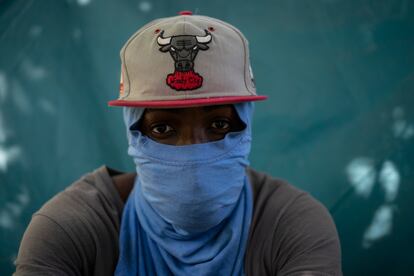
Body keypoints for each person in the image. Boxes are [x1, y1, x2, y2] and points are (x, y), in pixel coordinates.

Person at [14, 12, 342, 276]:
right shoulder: (70, 231)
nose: (192, 153)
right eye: (163, 128)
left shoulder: (291, 225)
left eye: (218, 125)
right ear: (133, 131)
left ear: (246, 124)